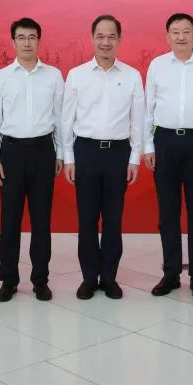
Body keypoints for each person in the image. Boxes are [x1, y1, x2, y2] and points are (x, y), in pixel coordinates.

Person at [61, 15, 145, 300]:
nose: (105, 42)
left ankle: (109, 277)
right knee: (86, 219)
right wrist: (69, 158)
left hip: (118, 154)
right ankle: (88, 278)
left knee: (113, 219)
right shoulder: (77, 75)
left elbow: (138, 120)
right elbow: (66, 119)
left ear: (119, 39)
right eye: (100, 36)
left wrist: (134, 159)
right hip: (85, 152)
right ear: (92, 38)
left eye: (111, 37)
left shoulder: (131, 76)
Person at [143, 13, 193, 300]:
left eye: (186, 31)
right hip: (165, 141)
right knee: (168, 211)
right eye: (175, 32)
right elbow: (147, 109)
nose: (181, 36)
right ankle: (171, 273)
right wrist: (148, 146)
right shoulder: (157, 65)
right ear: (167, 36)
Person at [0, 17, 64, 303]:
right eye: (21, 37)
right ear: (14, 41)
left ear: (39, 40)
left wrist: (61, 153)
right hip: (11, 153)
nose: (27, 42)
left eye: (32, 37)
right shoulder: (1, 77)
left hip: (43, 151)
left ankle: (40, 280)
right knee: (10, 220)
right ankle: (8, 280)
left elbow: (60, 118)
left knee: (41, 221)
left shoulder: (53, 76)